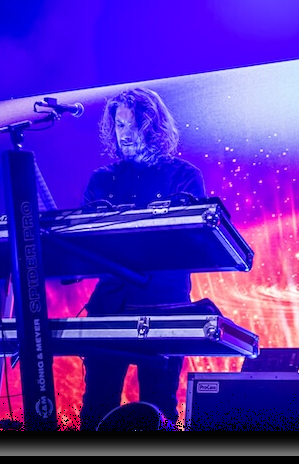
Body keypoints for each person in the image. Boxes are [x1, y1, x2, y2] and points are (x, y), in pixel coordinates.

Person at [77, 88, 206, 432]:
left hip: (164, 306)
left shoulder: (184, 176)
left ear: (154, 127)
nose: (125, 134)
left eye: (134, 125)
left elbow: (193, 242)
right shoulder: (102, 179)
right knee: (97, 407)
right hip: (109, 306)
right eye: (119, 125)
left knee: (159, 406)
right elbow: (83, 245)